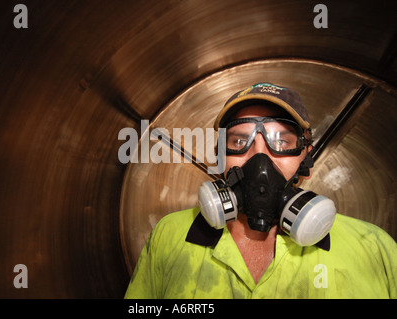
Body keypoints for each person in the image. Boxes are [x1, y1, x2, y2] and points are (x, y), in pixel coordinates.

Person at [124, 82, 397, 298]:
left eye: (281, 140)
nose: (260, 156)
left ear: (307, 160)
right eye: (240, 140)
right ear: (221, 158)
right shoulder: (170, 237)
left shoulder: (373, 248)